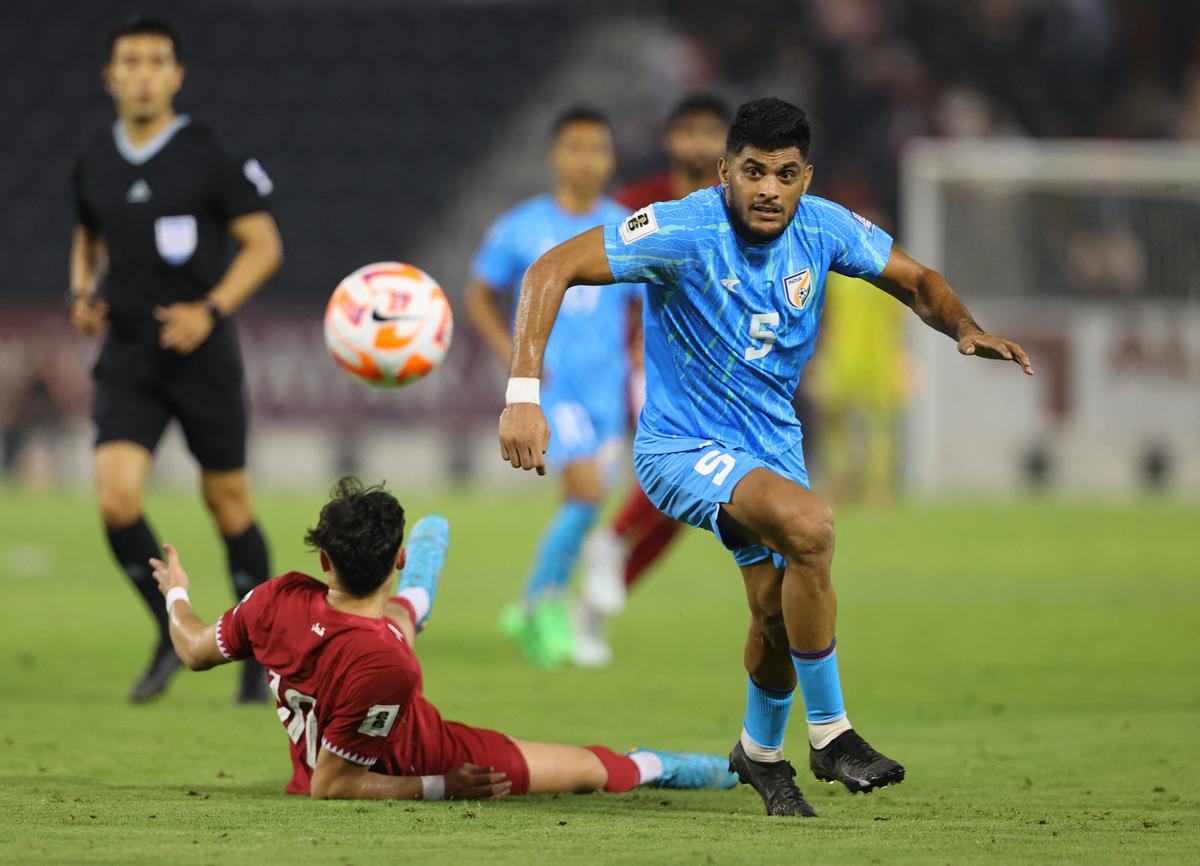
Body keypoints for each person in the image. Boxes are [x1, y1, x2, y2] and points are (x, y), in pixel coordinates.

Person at [497, 98, 1034, 816]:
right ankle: (831, 731)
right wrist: (522, 394)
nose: (768, 190)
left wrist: (965, 329)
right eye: (752, 172)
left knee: (776, 611)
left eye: (784, 174)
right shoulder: (683, 227)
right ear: (725, 173)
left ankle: (758, 750)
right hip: (681, 447)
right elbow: (550, 267)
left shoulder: (824, 227)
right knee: (811, 527)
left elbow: (915, 280)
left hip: (771, 446)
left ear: (804, 179)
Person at [149, 478, 737, 800]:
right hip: (422, 753)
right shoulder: (387, 663)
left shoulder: (278, 599)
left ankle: (424, 588)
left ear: (324, 559)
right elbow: (332, 786)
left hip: (363, 663)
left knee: (396, 624)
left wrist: (177, 592)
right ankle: (688, 767)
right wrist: (440, 786)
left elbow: (193, 647)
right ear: (396, 558)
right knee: (591, 769)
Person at [69, 16, 283, 703]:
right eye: (129, 60)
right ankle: (168, 628)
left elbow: (264, 246)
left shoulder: (206, 153)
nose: (142, 73)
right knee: (115, 499)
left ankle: (259, 653)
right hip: (128, 352)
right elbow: (88, 234)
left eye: (156, 61)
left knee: (227, 504)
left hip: (201, 355)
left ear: (176, 76)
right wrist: (81, 291)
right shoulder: (94, 159)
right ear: (110, 75)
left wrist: (210, 310)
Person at [464, 107, 642, 668]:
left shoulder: (627, 226)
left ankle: (539, 603)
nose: (586, 159)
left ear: (611, 159)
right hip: (554, 388)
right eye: (575, 147)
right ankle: (540, 604)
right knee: (588, 492)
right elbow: (478, 295)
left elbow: (649, 301)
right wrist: (512, 357)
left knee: (586, 503)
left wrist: (638, 360)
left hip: (607, 392)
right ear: (554, 155)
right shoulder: (521, 227)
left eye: (597, 148)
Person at [578, 93, 732, 663]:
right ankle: (608, 541)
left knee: (684, 509)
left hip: (712, 371)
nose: (697, 143)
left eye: (709, 132)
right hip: (642, 363)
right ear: (670, 141)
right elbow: (601, 285)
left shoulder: (739, 207)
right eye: (687, 131)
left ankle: (589, 613)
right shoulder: (632, 205)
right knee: (679, 472)